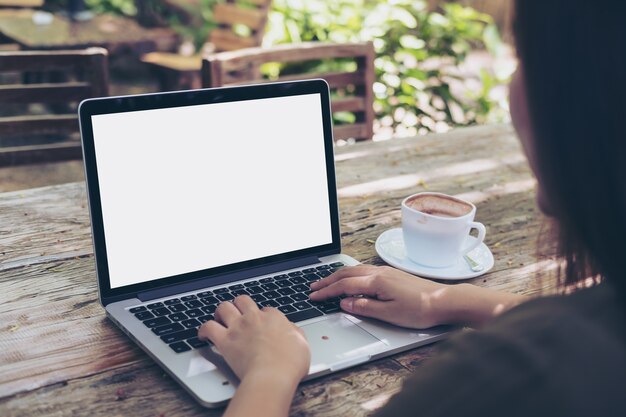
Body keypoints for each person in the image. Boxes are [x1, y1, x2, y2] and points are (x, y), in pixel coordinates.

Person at [197, 1, 626, 416]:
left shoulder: (502, 377)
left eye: (521, 56)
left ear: (584, 99)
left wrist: (268, 374)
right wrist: (451, 300)